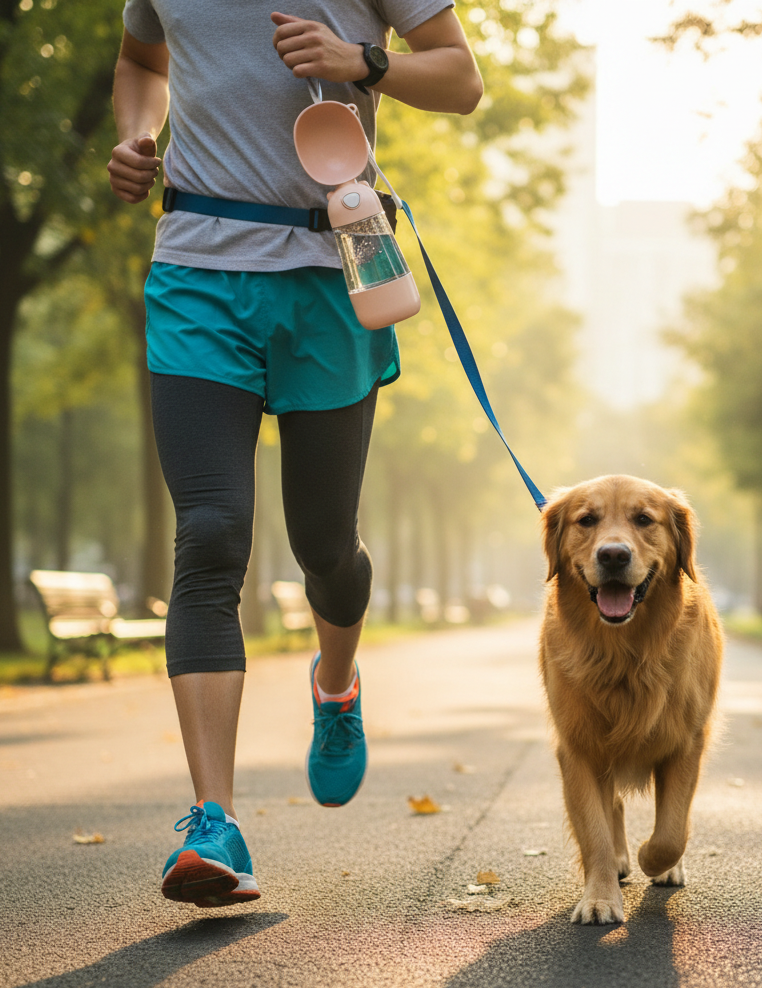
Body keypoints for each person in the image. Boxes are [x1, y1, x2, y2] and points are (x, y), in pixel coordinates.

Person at [107, 1, 482, 907]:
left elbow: (462, 79)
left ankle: (337, 683)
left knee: (325, 545)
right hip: (197, 268)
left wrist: (364, 61)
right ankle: (213, 821)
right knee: (210, 536)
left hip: (331, 274)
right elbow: (141, 60)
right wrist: (135, 133)